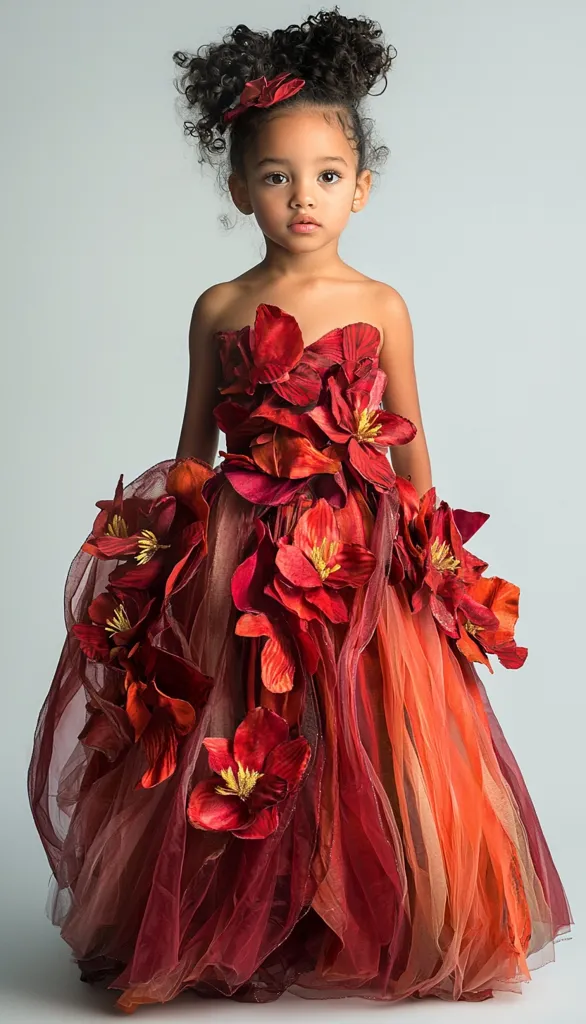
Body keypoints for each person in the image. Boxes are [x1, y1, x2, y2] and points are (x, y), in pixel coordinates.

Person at [27, 7, 573, 1015]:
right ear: (239, 188)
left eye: (326, 175)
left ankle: (385, 920)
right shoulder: (218, 307)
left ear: (360, 187)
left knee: (374, 731)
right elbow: (191, 453)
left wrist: (432, 562)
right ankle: (209, 929)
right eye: (276, 176)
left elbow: (410, 448)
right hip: (241, 551)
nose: (302, 196)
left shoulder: (381, 304)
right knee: (243, 726)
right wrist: (162, 563)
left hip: (356, 551)